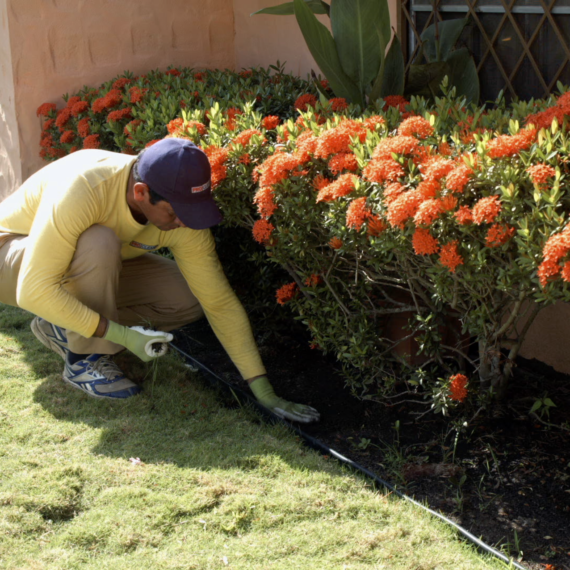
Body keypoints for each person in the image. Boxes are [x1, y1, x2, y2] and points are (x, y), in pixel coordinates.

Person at [0, 138, 319, 423]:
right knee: (99, 241)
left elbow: (217, 302)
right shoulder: (85, 187)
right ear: (141, 193)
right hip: (13, 256)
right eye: (176, 212)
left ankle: (64, 323)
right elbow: (34, 289)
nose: (185, 222)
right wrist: (122, 336)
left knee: (185, 297)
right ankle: (85, 359)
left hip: (78, 266)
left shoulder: (181, 216)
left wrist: (262, 389)